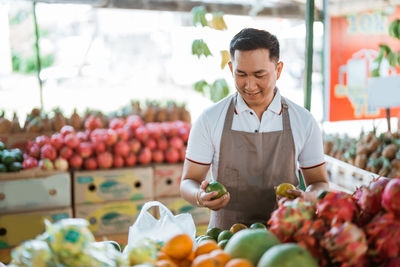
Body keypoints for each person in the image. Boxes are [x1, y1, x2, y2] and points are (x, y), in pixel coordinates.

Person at [180, 28, 329, 230]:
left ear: (278, 70)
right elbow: (189, 180)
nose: (250, 85)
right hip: (225, 242)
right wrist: (199, 196)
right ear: (231, 69)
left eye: (260, 75)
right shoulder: (210, 119)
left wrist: (307, 196)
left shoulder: (303, 120)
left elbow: (319, 182)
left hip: (285, 237)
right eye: (241, 74)